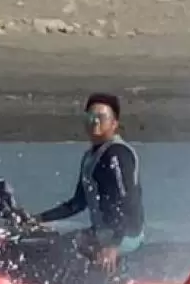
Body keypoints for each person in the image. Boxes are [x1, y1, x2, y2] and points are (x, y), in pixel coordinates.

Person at [33, 94, 144, 272]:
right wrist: (39, 219)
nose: (95, 122)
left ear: (114, 123)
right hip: (103, 233)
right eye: (90, 117)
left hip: (124, 236)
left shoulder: (117, 154)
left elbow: (126, 202)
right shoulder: (91, 156)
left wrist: (114, 246)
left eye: (101, 117)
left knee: (64, 249)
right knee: (58, 244)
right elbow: (77, 203)